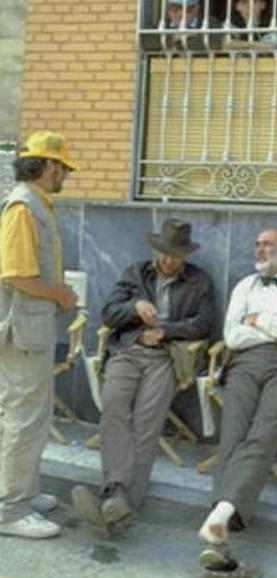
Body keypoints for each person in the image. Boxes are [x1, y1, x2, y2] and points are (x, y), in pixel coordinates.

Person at [71, 218, 214, 531]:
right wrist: (135, 307)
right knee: (114, 410)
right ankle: (118, 497)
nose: (167, 260)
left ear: (185, 255)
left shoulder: (199, 281)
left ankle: (118, 501)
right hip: (127, 350)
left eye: (175, 255)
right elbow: (108, 312)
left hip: (165, 357)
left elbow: (204, 323)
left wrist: (164, 331)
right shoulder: (136, 273)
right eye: (163, 252)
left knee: (146, 423)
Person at [198, 227, 277, 571]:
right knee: (233, 435)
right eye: (257, 244)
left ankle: (220, 517)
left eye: (268, 244)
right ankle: (222, 527)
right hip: (244, 364)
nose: (260, 249)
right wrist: (270, 327)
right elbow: (232, 336)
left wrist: (258, 320)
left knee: (265, 431)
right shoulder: (244, 286)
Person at [0, 131, 79, 539]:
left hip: (32, 328)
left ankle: (21, 493)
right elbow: (15, 274)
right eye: (62, 167)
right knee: (23, 417)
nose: (65, 174)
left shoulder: (35, 205)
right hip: (24, 331)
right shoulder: (22, 207)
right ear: (47, 166)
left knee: (31, 416)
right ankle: (10, 510)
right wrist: (61, 295)